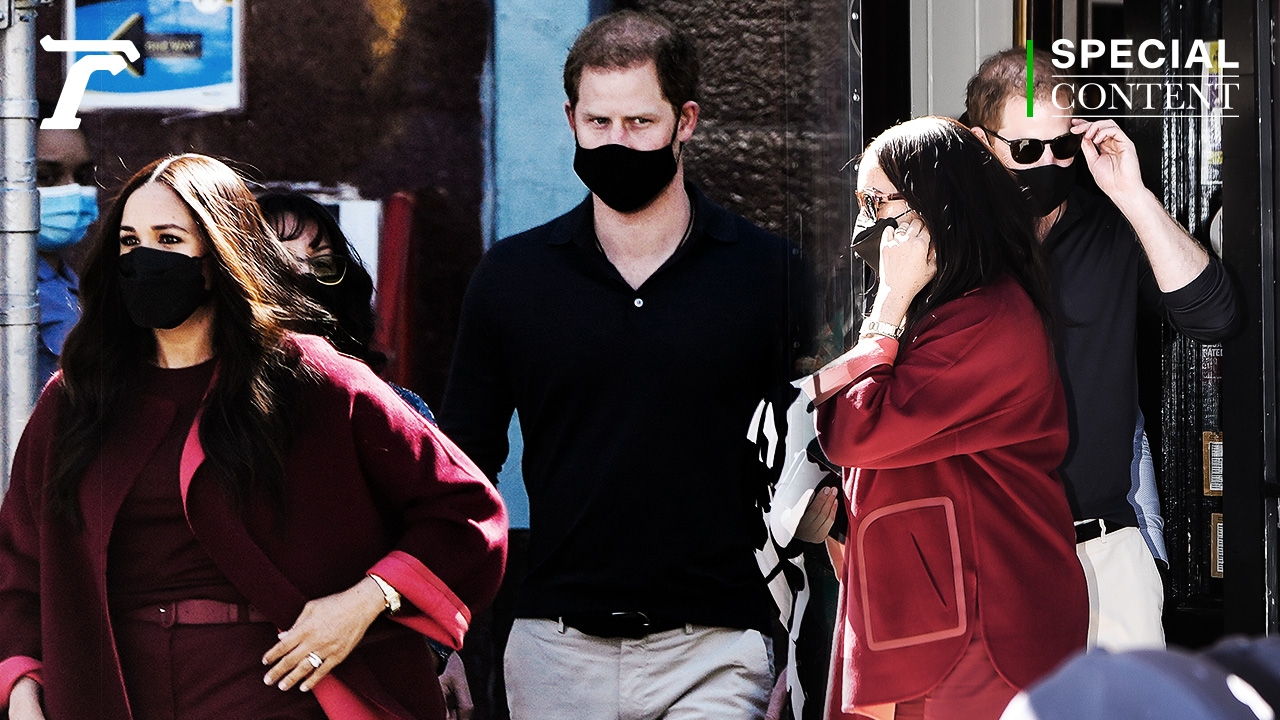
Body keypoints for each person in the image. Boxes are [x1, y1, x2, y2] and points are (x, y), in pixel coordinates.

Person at [0, 154, 507, 720]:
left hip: (279, 691)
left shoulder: (313, 378)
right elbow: (19, 561)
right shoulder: (77, 399)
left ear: (224, 252)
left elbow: (466, 511)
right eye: (129, 241)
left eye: (169, 239)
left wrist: (366, 601)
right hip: (110, 693)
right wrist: (22, 684)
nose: (144, 258)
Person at [439, 9, 811, 719]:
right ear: (571, 120)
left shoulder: (769, 274)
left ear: (685, 121)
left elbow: (811, 467)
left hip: (718, 646)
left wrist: (804, 650)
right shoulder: (512, 279)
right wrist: (442, 636)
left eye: (640, 122)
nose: (617, 141)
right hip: (554, 649)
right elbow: (460, 472)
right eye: (599, 122)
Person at [808, 116, 1087, 720]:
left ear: (936, 207)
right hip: (926, 619)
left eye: (879, 203)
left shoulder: (987, 318)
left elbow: (855, 431)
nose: (867, 225)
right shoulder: (944, 310)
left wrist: (888, 305)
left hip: (975, 630)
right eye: (861, 204)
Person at [966, 49, 1239, 651]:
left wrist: (1132, 194)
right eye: (1027, 149)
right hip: (992, 553)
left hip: (1104, 551)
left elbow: (1213, 316)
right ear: (982, 144)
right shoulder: (955, 247)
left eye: (1063, 145)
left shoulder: (1112, 227)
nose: (1049, 163)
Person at [257, 190, 436, 423]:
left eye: (321, 261)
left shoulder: (396, 412)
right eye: (283, 259)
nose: (304, 272)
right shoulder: (217, 409)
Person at [34, 123, 98, 386]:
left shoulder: (73, 284)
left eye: (83, 176)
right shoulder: (11, 287)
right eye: (46, 176)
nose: (72, 189)